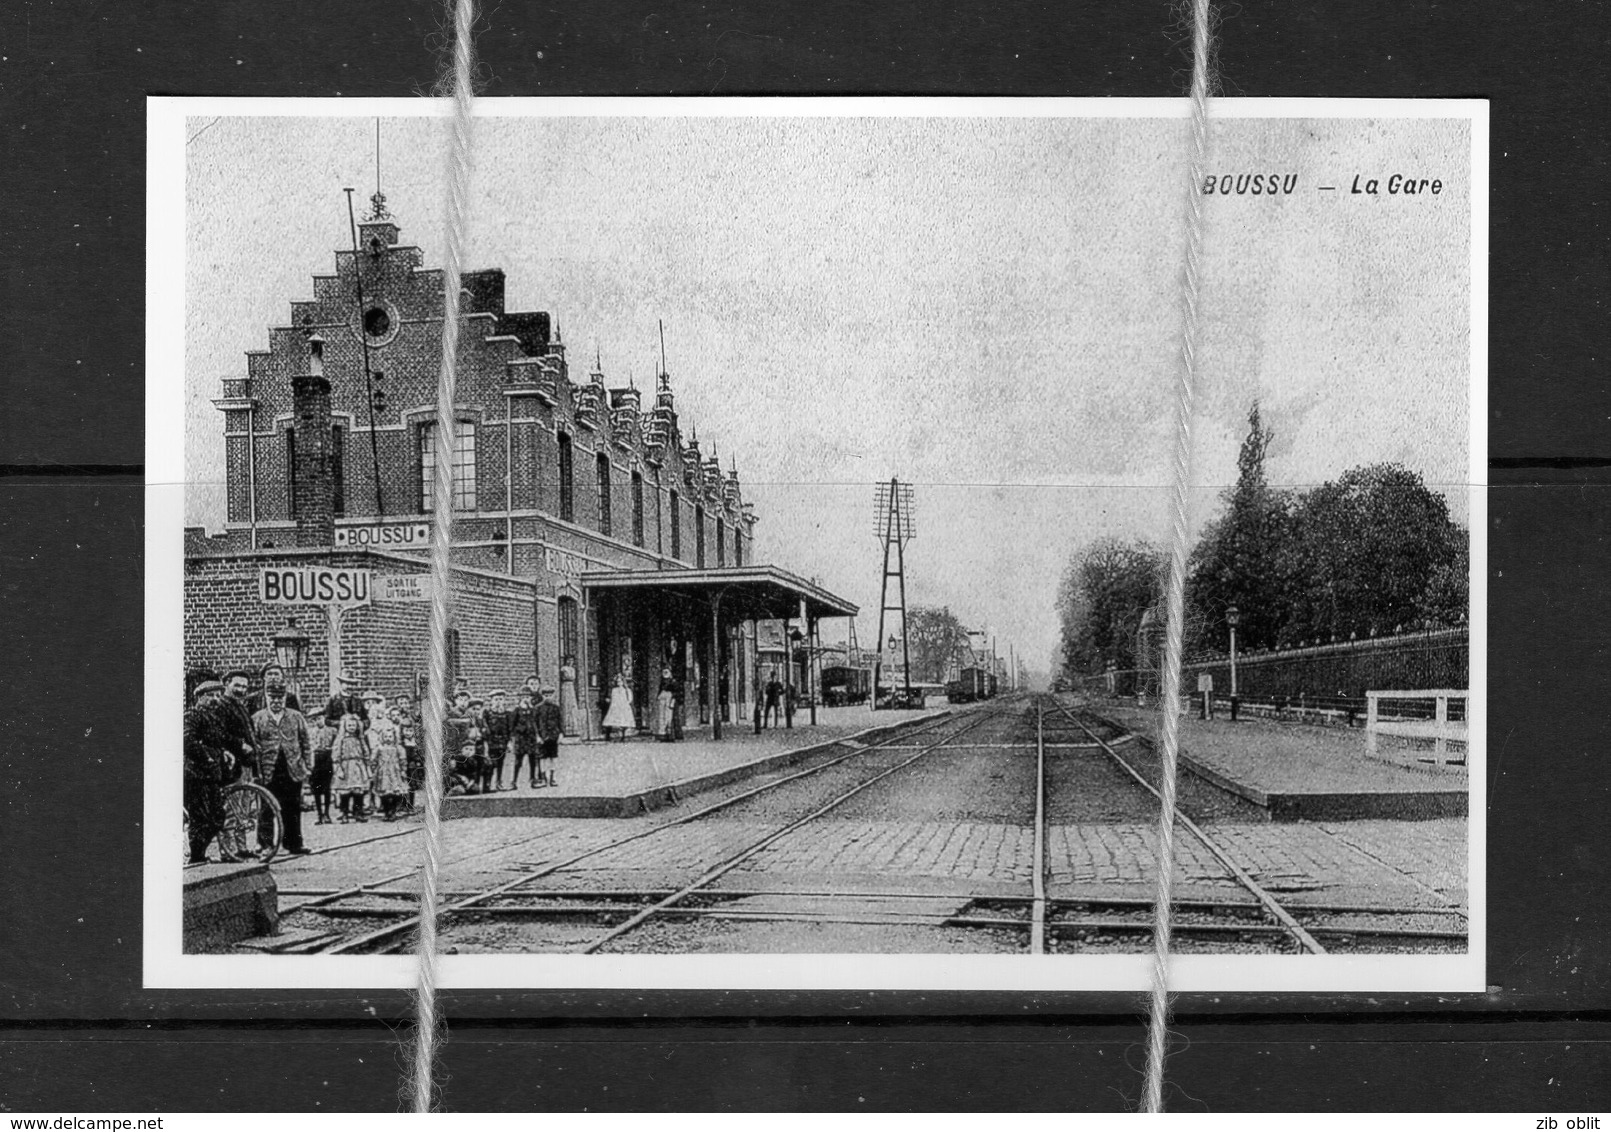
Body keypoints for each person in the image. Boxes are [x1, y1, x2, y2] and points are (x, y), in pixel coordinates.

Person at [250, 685, 313, 855]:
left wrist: (308, 765)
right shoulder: (258, 718)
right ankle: (264, 844)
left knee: (292, 807)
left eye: (280, 698)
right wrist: (256, 771)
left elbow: (305, 742)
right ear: (267, 698)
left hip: (291, 768)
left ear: (285, 698)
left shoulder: (296, 717)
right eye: (272, 698)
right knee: (266, 808)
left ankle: (293, 843)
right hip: (268, 770)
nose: (276, 701)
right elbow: (254, 746)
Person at [183, 680, 235, 864]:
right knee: (200, 818)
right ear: (199, 697)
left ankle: (200, 854)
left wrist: (223, 753)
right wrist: (206, 757)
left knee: (217, 817)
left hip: (212, 775)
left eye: (217, 696)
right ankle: (197, 857)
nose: (215, 700)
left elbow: (216, 742)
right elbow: (187, 740)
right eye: (210, 696)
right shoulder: (192, 715)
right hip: (195, 775)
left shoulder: (213, 718)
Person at [366, 694, 409, 821]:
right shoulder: (379, 748)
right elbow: (373, 759)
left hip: (395, 772)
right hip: (383, 772)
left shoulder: (398, 748)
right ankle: (386, 811)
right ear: (382, 737)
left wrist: (403, 770)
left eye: (390, 737)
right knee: (385, 793)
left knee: (396, 792)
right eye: (386, 737)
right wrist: (373, 769)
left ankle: (393, 811)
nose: (388, 739)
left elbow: (402, 760)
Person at [218, 669, 257, 784]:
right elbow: (219, 733)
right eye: (237, 686)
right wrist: (241, 744)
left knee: (246, 799)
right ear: (226, 684)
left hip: (246, 763)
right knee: (235, 798)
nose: (241, 690)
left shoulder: (241, 707)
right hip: (232, 765)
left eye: (244, 687)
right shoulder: (220, 706)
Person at [331, 713, 372, 821]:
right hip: (346, 766)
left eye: (354, 725)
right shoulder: (341, 739)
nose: (352, 728)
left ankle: (357, 812)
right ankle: (344, 813)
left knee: (358, 791)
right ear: (344, 726)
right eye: (349, 725)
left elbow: (365, 752)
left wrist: (367, 765)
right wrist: (338, 768)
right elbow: (336, 753)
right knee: (345, 791)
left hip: (358, 766)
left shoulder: (360, 739)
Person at [481, 689, 515, 791]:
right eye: (496, 699)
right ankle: (487, 784)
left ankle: (498, 783)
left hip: (502, 743)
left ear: (504, 701)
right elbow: (484, 727)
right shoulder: (487, 713)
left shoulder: (507, 714)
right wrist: (485, 742)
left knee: (501, 763)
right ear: (491, 701)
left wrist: (509, 742)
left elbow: (510, 729)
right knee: (490, 764)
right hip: (491, 742)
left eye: (501, 699)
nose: (498, 702)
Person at [394, 692, 422, 811]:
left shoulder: (412, 717)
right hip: (401, 757)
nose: (403, 705)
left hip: (411, 761)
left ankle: (410, 804)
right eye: (401, 703)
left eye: (405, 703)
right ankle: (401, 804)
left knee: (411, 783)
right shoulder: (395, 716)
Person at [533, 685, 563, 787]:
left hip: (553, 736)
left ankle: (553, 778)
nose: (548, 697)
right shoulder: (538, 708)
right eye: (546, 695)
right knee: (543, 758)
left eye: (550, 695)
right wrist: (537, 736)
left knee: (553, 758)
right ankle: (543, 778)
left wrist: (561, 734)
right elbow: (535, 724)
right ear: (542, 696)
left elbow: (560, 721)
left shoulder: (556, 708)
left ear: (553, 696)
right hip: (543, 737)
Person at [308, 716, 335, 825]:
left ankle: (327, 813)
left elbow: (335, 744)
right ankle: (319, 815)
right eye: (315, 719)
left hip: (327, 758)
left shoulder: (331, 731)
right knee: (316, 789)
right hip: (315, 759)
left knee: (327, 788)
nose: (318, 721)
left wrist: (331, 750)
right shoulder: (311, 732)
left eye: (320, 718)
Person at [510, 688, 539, 789]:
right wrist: (512, 739)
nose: (526, 699)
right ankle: (514, 781)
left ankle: (532, 779)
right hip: (520, 739)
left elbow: (536, 723)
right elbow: (512, 726)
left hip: (531, 739)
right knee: (518, 761)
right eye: (524, 697)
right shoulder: (517, 711)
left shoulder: (533, 710)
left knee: (533, 760)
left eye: (528, 697)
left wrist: (537, 736)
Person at [602, 671, 634, 741]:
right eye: (618, 682)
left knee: (624, 722)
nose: (619, 683)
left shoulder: (626, 690)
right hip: (615, 706)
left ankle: (623, 736)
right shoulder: (614, 690)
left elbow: (630, 699)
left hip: (623, 706)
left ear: (623, 682)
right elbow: (613, 698)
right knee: (610, 721)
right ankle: (608, 736)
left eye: (620, 682)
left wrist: (625, 704)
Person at [558, 655, 580, 737]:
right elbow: (564, 677)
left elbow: (573, 678)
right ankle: (566, 728)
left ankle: (573, 728)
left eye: (572, 660)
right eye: (569, 660)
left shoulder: (573, 669)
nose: (570, 662)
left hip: (571, 687)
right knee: (566, 705)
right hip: (565, 687)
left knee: (572, 706)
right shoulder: (563, 669)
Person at [656, 668, 676, 743]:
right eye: (664, 672)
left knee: (669, 717)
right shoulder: (662, 682)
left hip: (669, 699)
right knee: (662, 716)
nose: (665, 673)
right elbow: (660, 690)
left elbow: (675, 692)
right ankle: (662, 734)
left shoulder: (673, 682)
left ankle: (670, 735)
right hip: (662, 699)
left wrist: (672, 701)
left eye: (667, 672)